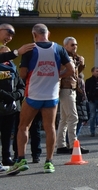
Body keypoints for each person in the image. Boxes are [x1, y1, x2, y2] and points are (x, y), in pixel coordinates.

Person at [10, 24, 75, 175]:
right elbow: (71, 70)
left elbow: (23, 73)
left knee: (23, 126)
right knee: (50, 127)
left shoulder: (29, 49)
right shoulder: (59, 48)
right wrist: (57, 76)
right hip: (51, 95)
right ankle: (49, 162)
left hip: (33, 94)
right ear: (48, 33)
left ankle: (21, 159)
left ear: (34, 34)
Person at [56, 37, 86, 154]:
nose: (75, 47)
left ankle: (61, 145)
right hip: (66, 88)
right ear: (66, 46)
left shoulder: (73, 57)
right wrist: (76, 63)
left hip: (71, 88)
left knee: (64, 119)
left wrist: (80, 64)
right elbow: (68, 72)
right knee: (73, 117)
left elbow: (77, 74)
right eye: (72, 45)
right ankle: (73, 144)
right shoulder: (64, 57)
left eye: (76, 44)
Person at [0, 45, 25, 167]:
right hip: (2, 103)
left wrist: (16, 95)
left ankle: (6, 157)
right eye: (4, 54)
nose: (7, 57)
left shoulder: (13, 69)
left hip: (11, 108)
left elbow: (21, 86)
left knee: (7, 134)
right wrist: (6, 95)